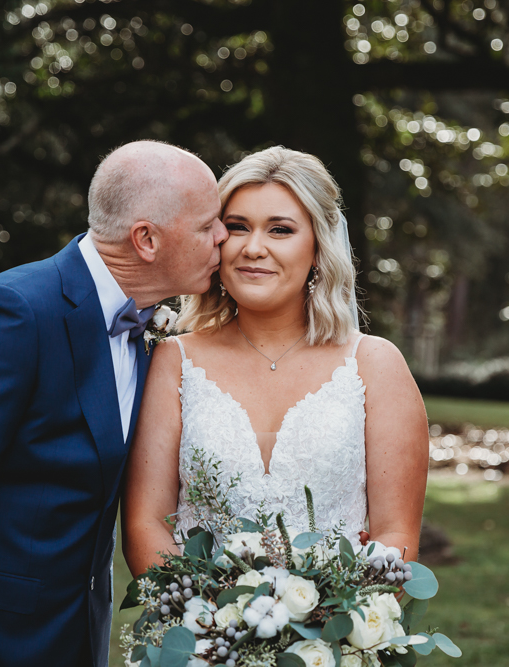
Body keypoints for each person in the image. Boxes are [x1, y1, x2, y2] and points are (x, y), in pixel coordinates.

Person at [0, 141, 227, 667]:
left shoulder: (153, 336)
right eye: (208, 224)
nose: (223, 237)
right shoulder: (14, 312)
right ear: (146, 239)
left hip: (72, 640)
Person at [122, 146, 429, 575]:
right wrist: (209, 626)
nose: (253, 247)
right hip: (199, 634)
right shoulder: (173, 361)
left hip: (336, 635)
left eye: (280, 230)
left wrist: (323, 625)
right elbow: (145, 523)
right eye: (237, 227)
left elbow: (396, 536)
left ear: (319, 246)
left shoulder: (375, 365)